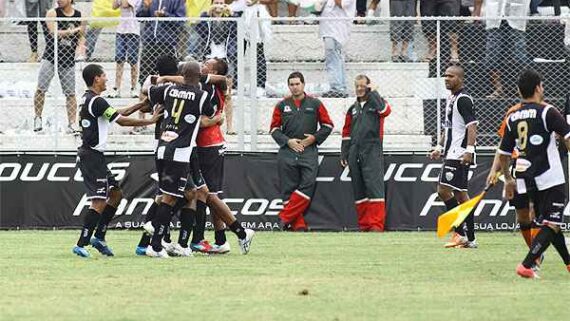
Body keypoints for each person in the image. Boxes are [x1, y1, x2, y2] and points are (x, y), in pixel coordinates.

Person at [72, 64, 162, 258]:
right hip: (91, 156)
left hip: (94, 155)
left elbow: (116, 113)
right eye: (104, 75)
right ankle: (82, 244)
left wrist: (139, 105)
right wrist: (151, 120)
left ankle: (99, 236)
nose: (107, 79)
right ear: (96, 78)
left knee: (115, 194)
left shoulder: (92, 100)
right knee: (98, 201)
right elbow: (121, 120)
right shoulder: (97, 100)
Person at [495, 69, 570, 278]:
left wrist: (508, 180)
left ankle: (568, 263)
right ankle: (527, 264)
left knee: (549, 223)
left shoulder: (513, 116)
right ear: (538, 87)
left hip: (526, 178)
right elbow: (568, 137)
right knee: (552, 223)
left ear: (520, 91)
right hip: (550, 177)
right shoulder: (548, 112)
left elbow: (503, 153)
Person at [270, 72, 334, 231]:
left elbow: (328, 126)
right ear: (288, 86)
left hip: (308, 150)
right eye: (291, 84)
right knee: (288, 188)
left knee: (308, 183)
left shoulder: (316, 103)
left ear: (303, 84)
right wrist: (288, 141)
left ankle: (284, 218)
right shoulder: (281, 105)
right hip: (287, 151)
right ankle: (298, 225)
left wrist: (313, 138)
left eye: (297, 84)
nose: (294, 87)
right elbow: (273, 130)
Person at [486, 102, 542, 263]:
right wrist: (494, 170)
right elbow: (503, 146)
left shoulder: (546, 111)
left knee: (534, 211)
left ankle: (535, 257)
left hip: (540, 166)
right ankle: (535, 251)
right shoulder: (513, 113)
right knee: (523, 215)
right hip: (519, 168)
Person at [429, 65, 478, 248]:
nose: (446, 78)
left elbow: (472, 126)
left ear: (459, 78)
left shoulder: (463, 99)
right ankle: (469, 239)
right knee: (461, 195)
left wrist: (469, 150)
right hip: (451, 152)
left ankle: (460, 233)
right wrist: (439, 146)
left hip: (459, 153)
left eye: (451, 76)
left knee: (443, 190)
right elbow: (448, 127)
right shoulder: (452, 99)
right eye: (445, 76)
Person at [340, 75, 391, 231]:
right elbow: (346, 131)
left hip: (372, 149)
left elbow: (385, 111)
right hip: (354, 151)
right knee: (359, 188)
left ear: (369, 86)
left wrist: (374, 92)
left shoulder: (377, 103)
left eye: (363, 86)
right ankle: (364, 225)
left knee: (374, 187)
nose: (359, 89)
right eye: (357, 86)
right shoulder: (352, 108)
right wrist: (344, 152)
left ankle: (376, 225)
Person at [33, 0, 86, 133]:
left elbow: (81, 37)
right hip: (50, 57)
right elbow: (54, 32)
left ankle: (72, 123)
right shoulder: (53, 13)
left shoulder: (79, 15)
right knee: (41, 88)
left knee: (70, 93)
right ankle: (38, 118)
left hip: (68, 59)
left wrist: (81, 48)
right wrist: (75, 30)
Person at [473, 0, 530, 98]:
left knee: (520, 56)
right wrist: (476, 10)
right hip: (495, 13)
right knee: (492, 55)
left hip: (516, 11)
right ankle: (498, 89)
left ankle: (522, 89)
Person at [136, 0, 186, 86]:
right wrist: (146, 8)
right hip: (150, 41)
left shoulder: (177, 1)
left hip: (167, 42)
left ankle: (166, 95)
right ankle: (145, 94)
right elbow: (139, 17)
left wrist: (165, 15)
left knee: (168, 73)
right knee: (145, 74)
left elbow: (180, 21)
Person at [319, 0, 356, 98]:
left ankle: (337, 88)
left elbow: (342, 4)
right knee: (334, 57)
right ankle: (340, 87)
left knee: (334, 57)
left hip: (337, 30)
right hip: (328, 29)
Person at [108, 0, 141, 98]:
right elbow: (114, 6)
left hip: (133, 31)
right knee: (119, 59)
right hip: (121, 30)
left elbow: (126, 4)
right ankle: (117, 88)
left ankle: (134, 87)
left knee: (133, 60)